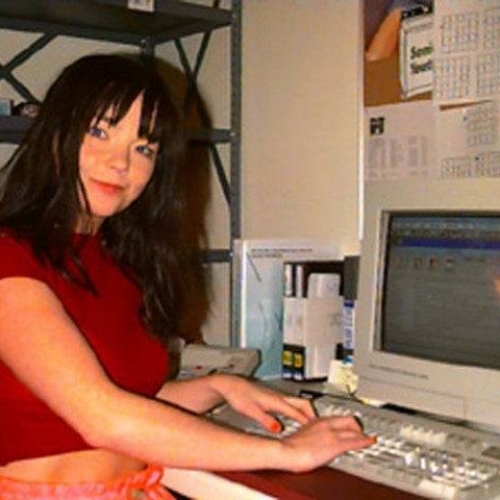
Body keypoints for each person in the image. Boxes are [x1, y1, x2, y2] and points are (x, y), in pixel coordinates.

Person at [0, 53, 375, 499]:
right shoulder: (9, 258)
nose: (121, 162)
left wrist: (219, 385)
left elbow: (129, 399)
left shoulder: (118, 262)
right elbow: (103, 417)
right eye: (99, 131)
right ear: (54, 134)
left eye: (144, 148)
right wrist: (286, 452)